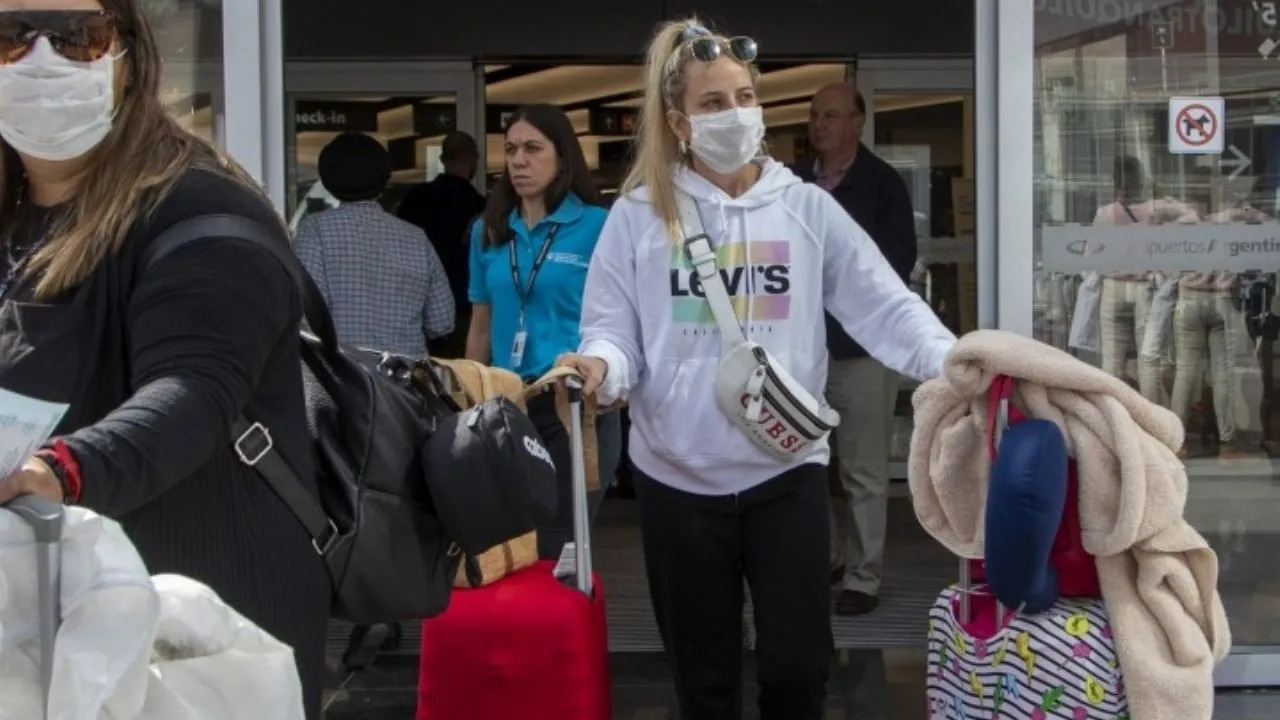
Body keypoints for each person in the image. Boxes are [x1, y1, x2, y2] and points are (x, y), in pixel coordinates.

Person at [555, 17, 957, 720]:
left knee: (799, 673)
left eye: (745, 96)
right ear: (679, 121)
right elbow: (614, 330)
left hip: (786, 472)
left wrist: (958, 364)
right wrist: (599, 369)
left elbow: (886, 306)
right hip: (676, 480)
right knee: (704, 685)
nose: (736, 115)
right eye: (714, 103)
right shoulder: (640, 215)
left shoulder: (806, 208)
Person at [0, 1, 329, 716]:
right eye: (10, 37)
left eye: (75, 37)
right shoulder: (17, 214)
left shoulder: (204, 213)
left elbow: (192, 391)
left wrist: (53, 471)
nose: (40, 60)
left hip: (196, 639)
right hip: (42, 628)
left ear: (127, 57)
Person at [465, 104, 622, 560]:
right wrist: (469, 400)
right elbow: (480, 325)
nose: (518, 160)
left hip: (573, 404)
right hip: (506, 406)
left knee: (561, 549)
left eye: (533, 149)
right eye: (511, 149)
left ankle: (562, 632)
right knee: (505, 547)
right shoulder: (490, 230)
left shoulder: (598, 226)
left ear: (563, 158)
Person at [798, 82, 918, 616]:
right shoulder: (794, 184)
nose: (819, 124)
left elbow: (895, 264)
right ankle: (824, 557)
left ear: (857, 123)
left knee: (863, 470)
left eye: (831, 115)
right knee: (804, 460)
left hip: (862, 351)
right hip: (803, 351)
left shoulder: (882, 184)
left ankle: (863, 577)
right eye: (814, 115)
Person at [295, 131, 454, 357]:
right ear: (384, 178)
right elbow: (441, 323)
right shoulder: (416, 238)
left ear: (328, 179)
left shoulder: (315, 231)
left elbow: (307, 314)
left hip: (343, 378)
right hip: (405, 381)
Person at [398, 131, 486, 357]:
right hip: (464, 307)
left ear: (443, 160)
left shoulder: (415, 198)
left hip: (415, 306)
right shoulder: (478, 206)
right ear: (473, 159)